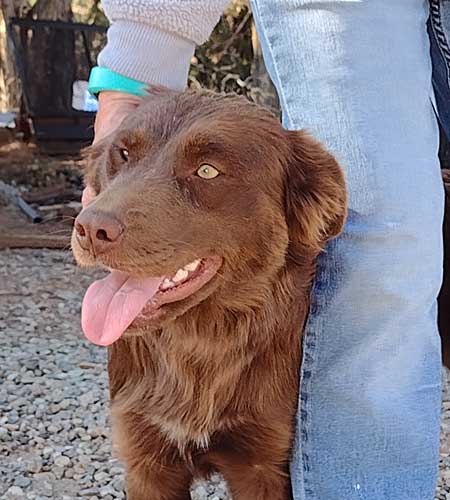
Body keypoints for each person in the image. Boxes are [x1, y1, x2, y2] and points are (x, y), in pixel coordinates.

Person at [87, 1, 450, 499]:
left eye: (208, 171)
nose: (99, 218)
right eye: (124, 158)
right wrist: (127, 79)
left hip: (264, 340)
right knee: (378, 234)